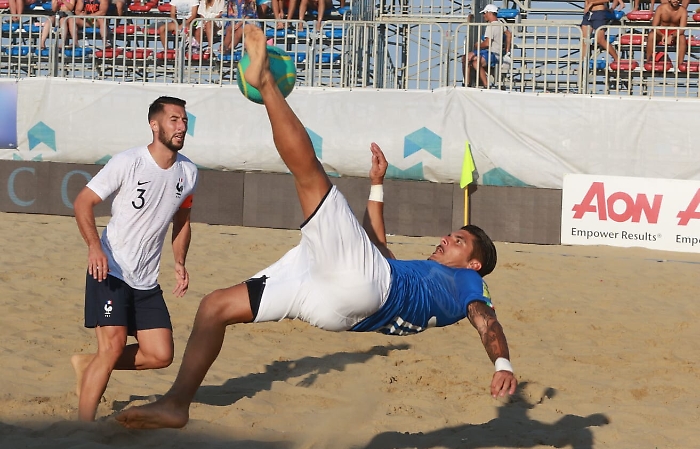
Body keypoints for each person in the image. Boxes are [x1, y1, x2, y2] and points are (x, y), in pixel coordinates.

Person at [115, 25, 517, 430]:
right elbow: (377, 248)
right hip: (338, 305)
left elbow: (486, 320)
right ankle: (176, 404)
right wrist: (377, 184)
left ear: (474, 264)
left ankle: (265, 82)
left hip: (366, 286)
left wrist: (502, 363)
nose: (447, 238)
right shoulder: (431, 280)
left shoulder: (469, 284)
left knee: (309, 176)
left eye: (459, 241)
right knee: (215, 307)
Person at [71, 96, 199, 422]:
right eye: (173, 120)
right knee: (112, 347)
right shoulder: (128, 161)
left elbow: (182, 221)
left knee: (160, 354)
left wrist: (179, 262)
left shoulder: (188, 172)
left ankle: (89, 364)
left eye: (184, 120)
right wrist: (94, 247)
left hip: (146, 279)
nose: (181, 126)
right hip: (110, 268)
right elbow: (83, 202)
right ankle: (83, 427)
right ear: (154, 125)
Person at [462, 4, 507, 88]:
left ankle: (467, 83)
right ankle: (485, 85)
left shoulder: (491, 26)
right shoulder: (500, 24)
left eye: (484, 13)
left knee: (466, 58)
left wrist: (477, 45)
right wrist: (507, 50)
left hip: (491, 53)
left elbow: (487, 43)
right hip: (496, 53)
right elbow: (509, 34)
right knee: (475, 62)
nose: (483, 16)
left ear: (489, 13)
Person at [645, 0, 688, 67]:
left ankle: (680, 65)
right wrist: (662, 35)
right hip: (661, 32)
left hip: (674, 32)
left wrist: (672, 36)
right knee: (651, 35)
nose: (676, 1)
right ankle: (649, 62)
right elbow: (654, 26)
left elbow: (682, 29)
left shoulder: (683, 11)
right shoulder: (661, 8)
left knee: (682, 38)